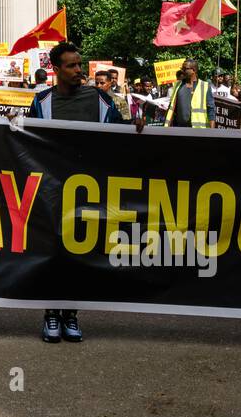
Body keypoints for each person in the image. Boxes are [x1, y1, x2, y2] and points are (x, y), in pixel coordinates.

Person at [29, 42, 143, 342]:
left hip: (88, 189)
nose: (79, 70)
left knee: (80, 251)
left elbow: (119, 133)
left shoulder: (100, 99)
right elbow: (30, 142)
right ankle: (51, 314)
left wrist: (137, 128)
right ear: (56, 70)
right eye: (71, 65)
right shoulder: (42, 102)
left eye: (80, 64)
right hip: (53, 190)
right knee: (53, 253)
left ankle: (71, 314)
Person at [165, 58, 214, 128]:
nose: (182, 71)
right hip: (180, 128)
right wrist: (166, 127)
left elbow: (211, 109)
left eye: (185, 69)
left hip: (199, 130)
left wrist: (212, 132)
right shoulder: (177, 85)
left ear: (194, 70)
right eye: (182, 68)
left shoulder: (205, 86)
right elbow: (171, 108)